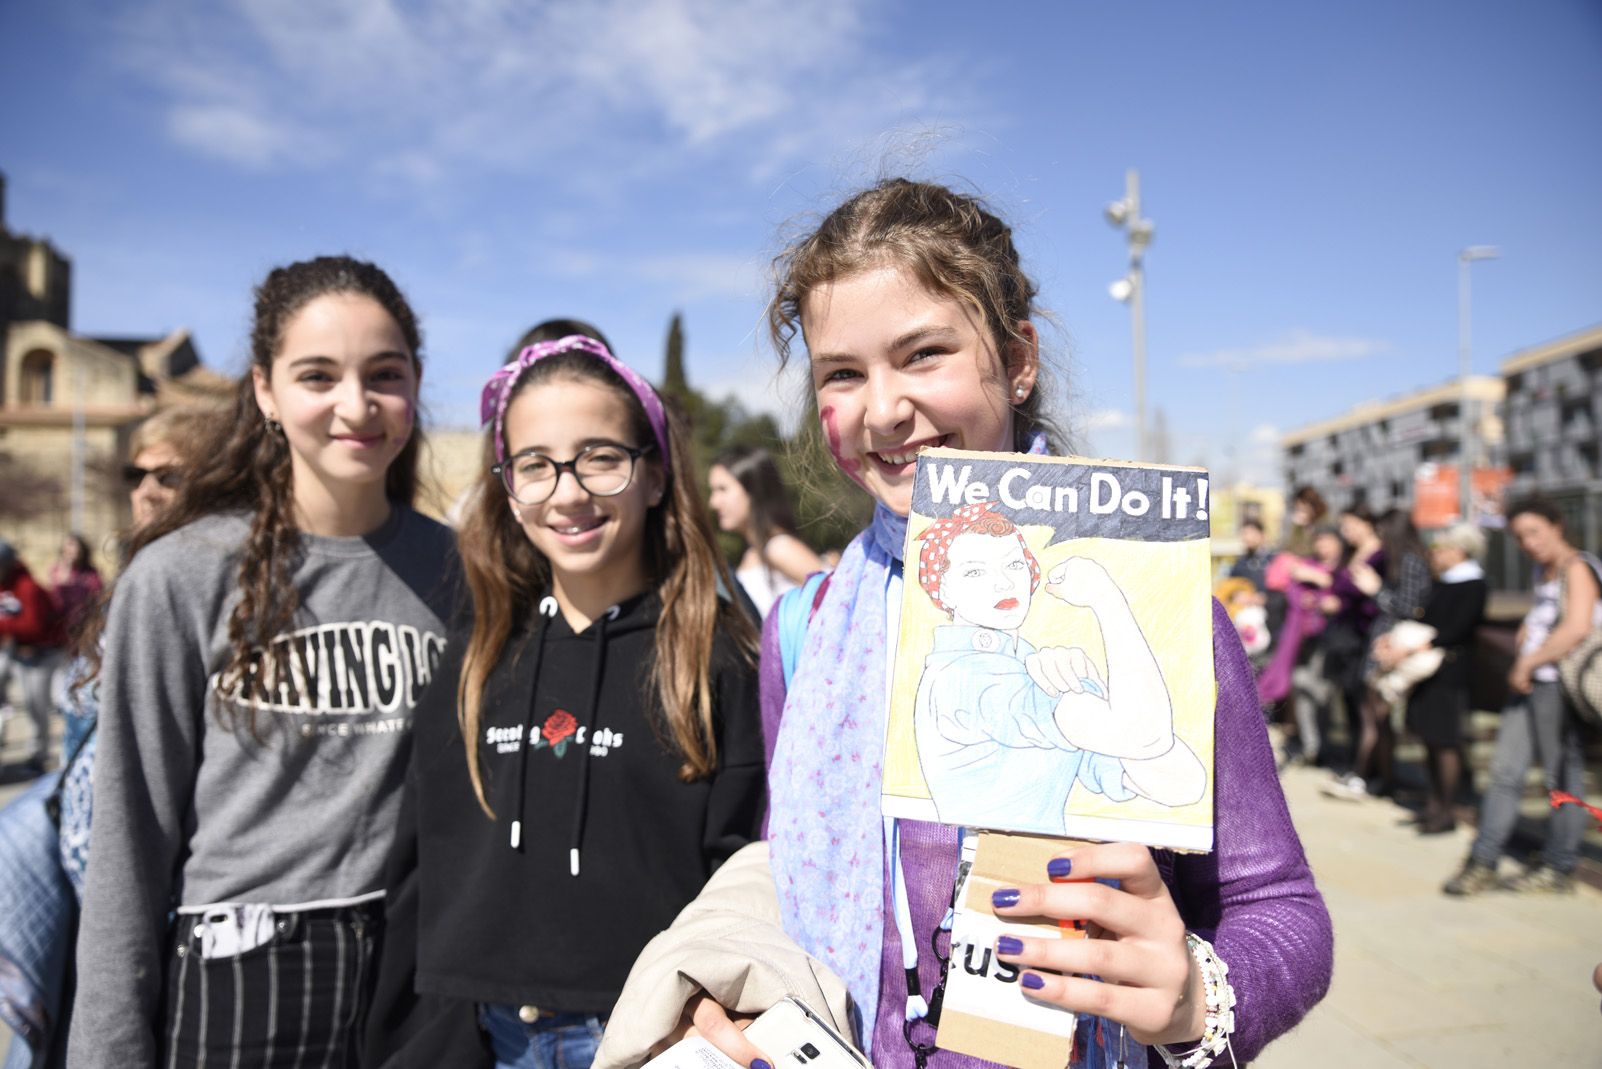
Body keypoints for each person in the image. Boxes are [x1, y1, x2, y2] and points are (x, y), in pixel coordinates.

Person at [593, 178, 1331, 1069]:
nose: (883, 409)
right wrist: (728, 983)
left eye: (924, 354)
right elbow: (793, 859)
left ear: (1018, 361)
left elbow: (1279, 906)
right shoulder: (804, 629)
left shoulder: (1155, 608)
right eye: (842, 373)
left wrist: (1194, 998)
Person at [68, 255, 458, 1067]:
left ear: (415, 384)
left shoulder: (465, 573)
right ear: (265, 392)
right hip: (239, 979)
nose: (356, 405)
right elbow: (130, 844)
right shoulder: (180, 575)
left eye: (384, 375)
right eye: (318, 375)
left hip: (416, 985)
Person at [382, 334, 765, 1069]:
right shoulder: (477, 657)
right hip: (484, 1037)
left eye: (600, 457)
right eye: (536, 465)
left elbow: (743, 863)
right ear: (508, 485)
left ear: (653, 475)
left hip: (648, 1038)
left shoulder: (713, 658)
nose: (568, 490)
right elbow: (420, 867)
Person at [1445, 496, 1602, 895]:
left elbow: (1577, 627)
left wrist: (1526, 663)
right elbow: (1545, 619)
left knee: (1561, 778)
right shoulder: (1543, 570)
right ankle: (1484, 860)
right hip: (1532, 683)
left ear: (1556, 526)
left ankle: (1560, 866)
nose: (1529, 542)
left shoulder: (1577, 566)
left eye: (1535, 531)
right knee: (1504, 773)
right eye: (1519, 537)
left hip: (1556, 685)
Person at [1324, 508, 1431, 801]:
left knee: (1374, 717)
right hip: (1382, 643)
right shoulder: (1402, 560)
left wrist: (1376, 589)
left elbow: (1408, 607)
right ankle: (1379, 778)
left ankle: (1365, 775)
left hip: (1392, 646)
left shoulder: (1410, 561)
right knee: (1373, 717)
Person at [1393, 523, 1488, 835]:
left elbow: (1460, 627)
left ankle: (1446, 809)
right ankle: (1433, 804)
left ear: (1458, 551)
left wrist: (1425, 644)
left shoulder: (1472, 583)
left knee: (1445, 740)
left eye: (1441, 549)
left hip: (1449, 669)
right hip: (1429, 668)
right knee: (1430, 739)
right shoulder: (1445, 582)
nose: (1436, 555)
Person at [707, 445, 825, 619]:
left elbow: (838, 598)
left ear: (753, 489)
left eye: (723, 489)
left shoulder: (779, 548)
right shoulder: (753, 553)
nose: (713, 502)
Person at [0, 539, 68, 776]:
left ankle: (40, 754)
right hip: (17, 653)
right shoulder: (4, 587)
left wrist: (6, 627)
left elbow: (34, 626)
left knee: (37, 706)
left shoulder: (28, 587)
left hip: (43, 654)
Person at [46, 534, 102, 637]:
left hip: (85, 624)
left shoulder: (91, 573)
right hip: (62, 626)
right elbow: (56, 598)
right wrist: (65, 571)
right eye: (68, 547)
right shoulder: (56, 570)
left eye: (74, 546)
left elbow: (97, 596)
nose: (71, 551)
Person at [1228, 518, 1271, 593]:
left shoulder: (1273, 559)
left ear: (1262, 535)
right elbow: (1231, 585)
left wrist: (1263, 599)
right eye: (1245, 534)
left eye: (1251, 533)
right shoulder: (1240, 563)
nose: (1248, 538)